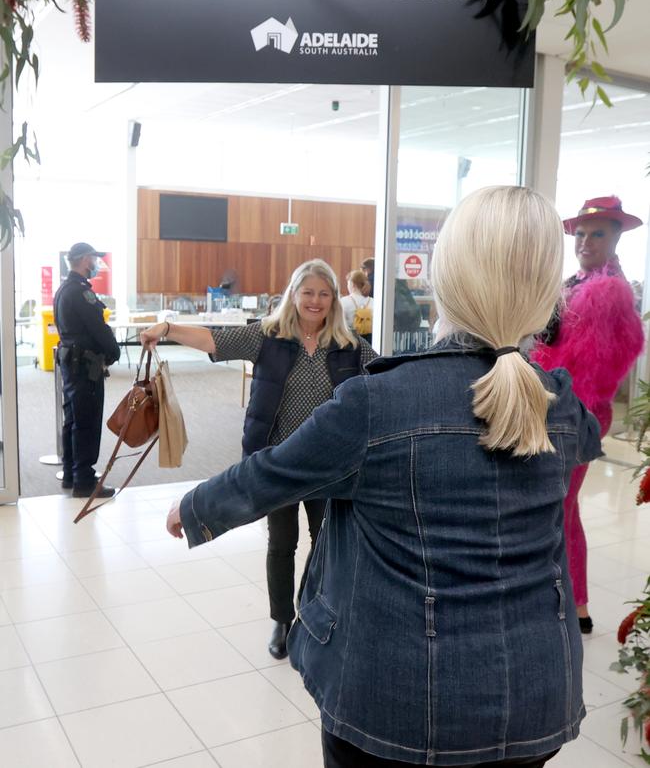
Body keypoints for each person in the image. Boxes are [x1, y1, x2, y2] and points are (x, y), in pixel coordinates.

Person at [165, 186, 602, 767]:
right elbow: (586, 442)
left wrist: (193, 509)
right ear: (547, 292)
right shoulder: (560, 403)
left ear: (443, 282)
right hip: (537, 695)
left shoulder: (378, 403)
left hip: (397, 703)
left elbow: (275, 471)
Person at [141, 259, 376, 660]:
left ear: (333, 299)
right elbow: (216, 341)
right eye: (308, 292)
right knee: (282, 544)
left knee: (326, 543)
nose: (315, 301)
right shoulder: (269, 336)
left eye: (323, 293)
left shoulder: (349, 345)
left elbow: (385, 377)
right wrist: (168, 330)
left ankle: (319, 614)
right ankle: (282, 619)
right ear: (294, 295)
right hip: (276, 463)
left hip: (328, 466)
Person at [532, 195, 644, 634]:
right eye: (580, 233)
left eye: (598, 234)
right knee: (562, 505)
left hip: (572, 412)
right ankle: (573, 600)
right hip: (564, 408)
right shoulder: (575, 283)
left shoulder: (606, 290)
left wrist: (554, 406)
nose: (585, 241)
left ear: (617, 237)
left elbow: (591, 368)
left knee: (559, 505)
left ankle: (570, 602)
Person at [53, 242, 120, 498]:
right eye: (94, 258)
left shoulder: (63, 290)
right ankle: (85, 480)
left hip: (71, 363)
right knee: (87, 421)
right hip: (85, 367)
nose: (96, 263)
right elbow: (98, 327)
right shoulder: (82, 292)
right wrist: (114, 352)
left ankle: (72, 474)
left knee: (73, 420)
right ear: (84, 260)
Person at [340, 269, 373, 340]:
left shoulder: (344, 301)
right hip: (370, 341)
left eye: (348, 284)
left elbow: (339, 324)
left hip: (351, 340)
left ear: (353, 285)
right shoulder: (373, 302)